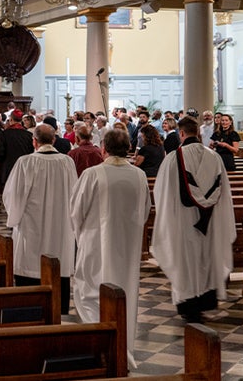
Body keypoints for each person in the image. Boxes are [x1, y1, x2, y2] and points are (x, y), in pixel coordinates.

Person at [71, 128, 150, 370]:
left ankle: (102, 346)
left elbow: (76, 211)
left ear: (103, 148)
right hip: (127, 246)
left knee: (89, 292)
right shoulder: (139, 175)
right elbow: (145, 211)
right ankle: (121, 348)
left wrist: (81, 234)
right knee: (124, 294)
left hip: (96, 243)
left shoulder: (93, 174)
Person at [151, 116, 235, 323]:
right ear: (198, 133)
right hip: (210, 221)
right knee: (206, 257)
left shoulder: (173, 158)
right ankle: (206, 301)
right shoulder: (214, 157)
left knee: (186, 261)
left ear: (181, 133)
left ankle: (189, 305)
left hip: (183, 219)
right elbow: (224, 192)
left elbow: (161, 192)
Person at [3, 123, 76, 314]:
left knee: (31, 262)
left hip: (31, 226)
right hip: (60, 226)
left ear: (34, 141)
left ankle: (30, 311)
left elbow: (14, 195)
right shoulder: (67, 162)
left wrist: (14, 218)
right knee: (57, 261)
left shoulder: (25, 162)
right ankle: (58, 312)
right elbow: (74, 195)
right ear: (53, 140)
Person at [0, 110, 34, 197]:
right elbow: (31, 151)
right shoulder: (28, 135)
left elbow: (0, 154)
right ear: (21, 121)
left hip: (9, 168)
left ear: (11, 119)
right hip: (25, 168)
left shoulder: (4, 134)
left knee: (10, 196)